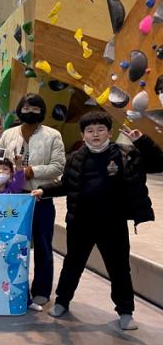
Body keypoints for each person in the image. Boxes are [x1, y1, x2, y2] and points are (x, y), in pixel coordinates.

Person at [32, 112, 163, 330]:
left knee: (119, 269)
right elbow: (66, 184)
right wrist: (44, 190)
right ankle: (62, 301)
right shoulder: (76, 157)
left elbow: (158, 164)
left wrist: (142, 141)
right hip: (80, 222)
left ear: (109, 133)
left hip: (113, 223)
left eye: (101, 130)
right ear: (82, 135)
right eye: (90, 131)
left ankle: (125, 312)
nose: (95, 134)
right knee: (72, 265)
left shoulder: (125, 154)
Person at [0, 93, 66, 312]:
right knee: (11, 245)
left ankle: (42, 290)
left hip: (40, 197)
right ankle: (13, 287)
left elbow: (58, 166)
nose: (31, 112)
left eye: (36, 109)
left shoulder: (53, 135)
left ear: (42, 112)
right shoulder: (8, 134)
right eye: (26, 108)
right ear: (19, 109)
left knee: (43, 246)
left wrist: (31, 171)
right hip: (13, 199)